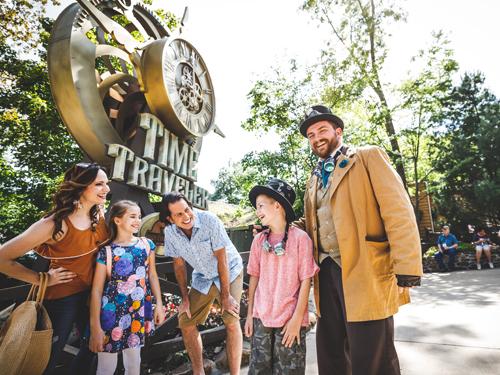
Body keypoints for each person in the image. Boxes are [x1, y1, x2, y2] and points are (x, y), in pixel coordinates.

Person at [295, 105, 423, 375]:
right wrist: (279, 228)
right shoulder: (313, 179)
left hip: (365, 270)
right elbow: (313, 222)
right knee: (332, 354)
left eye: (321, 130)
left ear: (337, 131)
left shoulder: (367, 157)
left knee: (372, 356)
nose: (316, 137)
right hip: (325, 272)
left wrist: (408, 265)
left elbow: (398, 211)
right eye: (310, 134)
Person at [0, 162, 110, 375]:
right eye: (99, 184)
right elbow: (3, 257)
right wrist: (41, 277)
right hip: (62, 298)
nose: (106, 189)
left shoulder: (99, 214)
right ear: (80, 187)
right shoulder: (53, 224)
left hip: (93, 295)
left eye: (107, 183)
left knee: (98, 347)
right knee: (45, 358)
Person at [160, 192, 244, 375]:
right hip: (203, 276)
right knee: (186, 321)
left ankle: (235, 373)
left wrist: (226, 296)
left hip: (229, 270)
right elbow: (179, 265)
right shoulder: (170, 233)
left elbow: (222, 259)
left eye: (187, 210)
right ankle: (199, 372)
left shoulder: (209, 221)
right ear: (170, 218)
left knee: (231, 318)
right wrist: (184, 299)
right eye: (178, 214)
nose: (186, 216)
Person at [244, 178, 319, 375]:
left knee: (288, 370)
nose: (257, 211)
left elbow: (306, 281)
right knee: (258, 369)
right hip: (261, 318)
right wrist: (250, 315)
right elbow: (254, 278)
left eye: (260, 206)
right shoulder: (259, 240)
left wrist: (297, 320)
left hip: (290, 321)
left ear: (277, 205)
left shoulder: (301, 239)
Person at [89, 200, 165, 374]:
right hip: (110, 313)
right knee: (106, 366)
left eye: (139, 216)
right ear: (117, 220)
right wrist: (96, 327)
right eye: (132, 216)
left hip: (137, 311)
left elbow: (152, 275)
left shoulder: (146, 245)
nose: (138, 220)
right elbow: (97, 290)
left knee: (133, 363)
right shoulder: (106, 251)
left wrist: (159, 304)